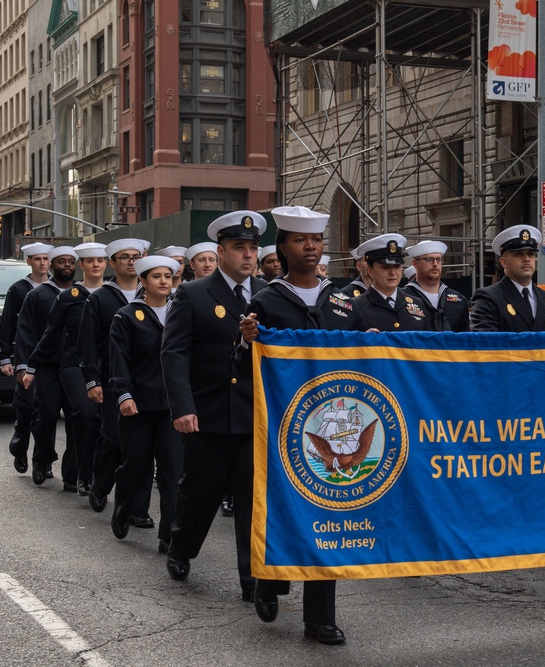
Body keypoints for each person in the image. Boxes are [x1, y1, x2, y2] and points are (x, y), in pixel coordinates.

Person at [237, 205, 360, 645]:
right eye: (301, 241)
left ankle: (319, 619)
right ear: (283, 248)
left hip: (338, 426)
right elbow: (244, 367)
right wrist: (247, 341)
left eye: (316, 241)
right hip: (285, 427)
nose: (310, 248)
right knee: (288, 509)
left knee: (326, 509)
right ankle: (269, 581)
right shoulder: (266, 301)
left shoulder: (345, 300)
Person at [162, 210, 267, 600]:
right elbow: (174, 355)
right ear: (220, 252)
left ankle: (251, 577)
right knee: (200, 491)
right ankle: (182, 546)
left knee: (251, 498)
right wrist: (182, 408)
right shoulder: (192, 293)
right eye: (239, 247)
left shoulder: (268, 293)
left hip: (253, 413)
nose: (248, 255)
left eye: (253, 247)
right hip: (207, 413)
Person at [108, 255, 185, 548]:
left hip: (171, 407)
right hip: (137, 404)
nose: (164, 281)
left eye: (168, 276)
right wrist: (123, 395)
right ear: (143, 281)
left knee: (172, 472)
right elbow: (119, 360)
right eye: (156, 276)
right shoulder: (127, 316)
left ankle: (169, 536)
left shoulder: (180, 312)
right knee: (135, 466)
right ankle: (123, 505)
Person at [26, 242, 107, 496]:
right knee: (84, 414)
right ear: (81, 265)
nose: (96, 265)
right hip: (73, 364)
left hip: (109, 367)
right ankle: (82, 474)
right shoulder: (68, 297)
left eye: (100, 260)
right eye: (90, 261)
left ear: (107, 263)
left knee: (95, 423)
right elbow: (50, 335)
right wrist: (32, 365)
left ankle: (74, 473)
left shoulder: (113, 295)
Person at [80, 238, 150, 517]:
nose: (131, 261)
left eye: (136, 256)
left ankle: (138, 509)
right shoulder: (100, 298)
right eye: (125, 257)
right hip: (111, 380)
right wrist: (92, 380)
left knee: (144, 446)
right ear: (113, 263)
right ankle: (101, 484)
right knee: (115, 439)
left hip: (148, 380)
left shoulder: (154, 293)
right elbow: (87, 343)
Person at [14, 246, 78, 486]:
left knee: (76, 419)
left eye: (70, 262)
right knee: (46, 415)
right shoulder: (38, 295)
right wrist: (24, 366)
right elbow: (26, 332)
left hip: (75, 368)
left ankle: (72, 473)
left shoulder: (81, 294)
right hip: (47, 368)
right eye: (61, 262)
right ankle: (42, 461)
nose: (66, 266)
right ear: (52, 266)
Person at [0, 242, 53, 474]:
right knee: (26, 408)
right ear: (28, 261)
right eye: (37, 259)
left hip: (51, 359)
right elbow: (8, 324)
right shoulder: (18, 289)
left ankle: (44, 462)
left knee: (47, 413)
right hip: (26, 357)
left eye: (45, 259)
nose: (42, 263)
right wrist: (5, 358)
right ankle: (20, 448)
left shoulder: (58, 287)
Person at [470, 226, 545, 333]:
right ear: (504, 262)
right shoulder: (489, 298)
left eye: (531, 254)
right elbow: (487, 344)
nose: (527, 259)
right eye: (519, 254)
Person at [352, 233, 429, 331]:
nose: (393, 273)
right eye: (385, 267)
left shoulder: (418, 303)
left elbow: (428, 343)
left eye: (397, 267)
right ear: (370, 271)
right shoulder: (357, 306)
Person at [404, 240, 470, 332]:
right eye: (429, 259)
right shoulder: (402, 297)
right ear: (415, 264)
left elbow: (464, 339)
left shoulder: (459, 300)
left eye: (439, 259)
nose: (435, 264)